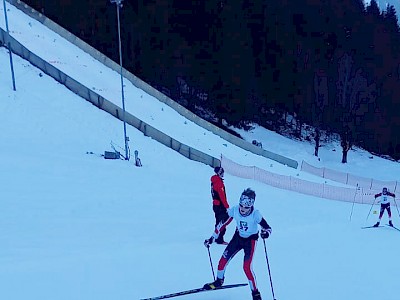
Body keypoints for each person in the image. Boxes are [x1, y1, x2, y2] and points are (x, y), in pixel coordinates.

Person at [203, 188, 272, 300]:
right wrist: (212, 238)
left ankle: (255, 293)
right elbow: (222, 224)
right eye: (242, 206)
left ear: (251, 206)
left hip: (250, 241)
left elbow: (268, 228)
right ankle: (219, 281)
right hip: (238, 238)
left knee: (247, 268)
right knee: (222, 261)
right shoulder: (235, 210)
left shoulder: (256, 214)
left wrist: (266, 233)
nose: (243, 209)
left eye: (246, 207)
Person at [210, 166, 229, 244]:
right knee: (223, 222)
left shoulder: (214, 181)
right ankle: (219, 239)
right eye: (222, 173)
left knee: (218, 221)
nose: (223, 174)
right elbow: (222, 196)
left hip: (215, 205)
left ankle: (216, 236)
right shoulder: (219, 183)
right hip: (220, 206)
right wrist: (227, 206)